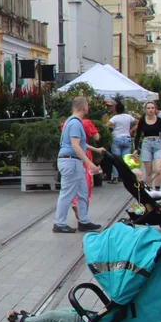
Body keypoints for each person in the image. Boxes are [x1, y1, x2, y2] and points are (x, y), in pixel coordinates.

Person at [53, 97, 103, 234]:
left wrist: (96, 150)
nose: (88, 108)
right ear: (83, 107)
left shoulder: (71, 121)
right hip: (71, 161)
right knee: (67, 193)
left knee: (82, 192)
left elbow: (79, 143)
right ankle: (59, 223)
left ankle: (84, 221)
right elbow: (75, 146)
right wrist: (89, 163)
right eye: (87, 105)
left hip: (73, 161)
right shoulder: (75, 123)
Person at [133, 101, 161, 189]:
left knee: (158, 169)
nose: (150, 110)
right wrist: (136, 148)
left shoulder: (159, 120)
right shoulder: (142, 120)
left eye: (152, 108)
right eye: (148, 108)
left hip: (157, 144)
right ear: (145, 110)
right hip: (146, 144)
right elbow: (138, 135)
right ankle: (150, 191)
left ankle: (157, 189)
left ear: (155, 109)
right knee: (148, 171)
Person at [106, 100, 136, 183]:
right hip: (127, 138)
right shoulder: (128, 117)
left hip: (116, 138)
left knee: (116, 159)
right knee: (126, 159)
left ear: (116, 110)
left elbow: (106, 126)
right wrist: (132, 130)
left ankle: (115, 177)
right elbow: (138, 122)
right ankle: (127, 176)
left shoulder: (115, 118)